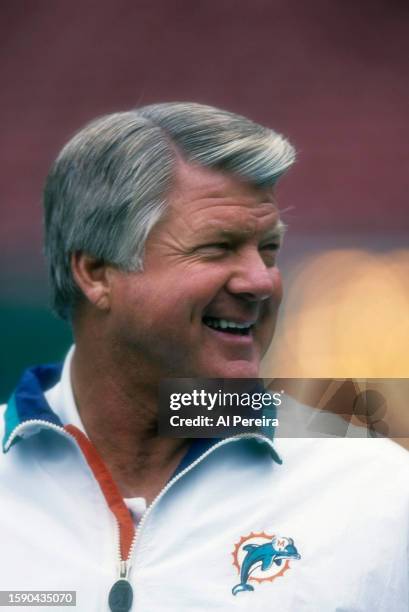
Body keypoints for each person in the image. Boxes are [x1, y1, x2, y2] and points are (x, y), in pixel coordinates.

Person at [1, 102, 408, 612]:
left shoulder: (377, 492)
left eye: (269, 249)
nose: (261, 280)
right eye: (217, 248)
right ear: (96, 273)